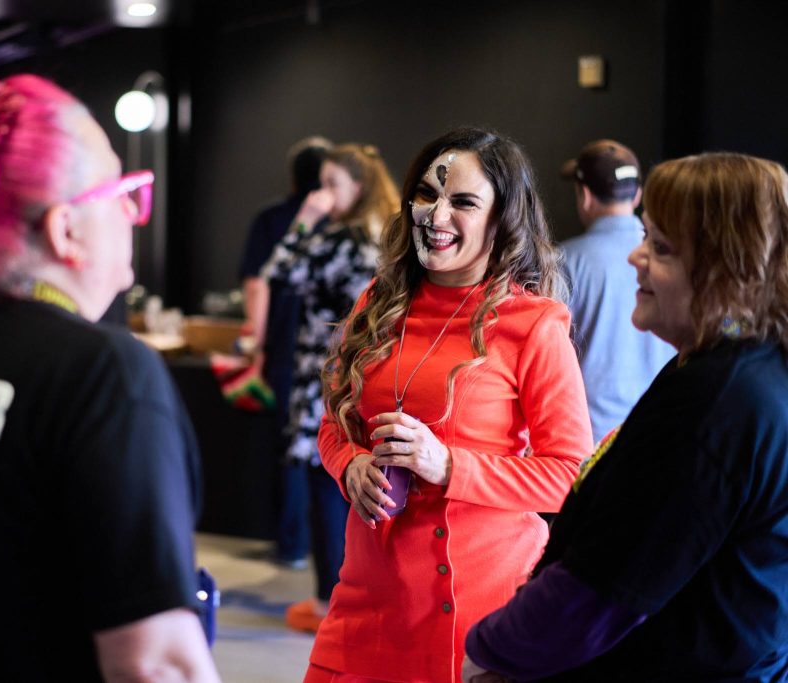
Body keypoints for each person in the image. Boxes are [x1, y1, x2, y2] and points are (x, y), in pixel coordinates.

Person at [0, 62, 220, 682]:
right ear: (66, 228)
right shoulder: (102, 376)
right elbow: (157, 665)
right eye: (119, 193)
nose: (134, 214)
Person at [462, 152, 788, 682]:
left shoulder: (716, 401)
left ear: (729, 269)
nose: (636, 257)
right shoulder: (743, 367)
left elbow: (599, 593)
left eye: (661, 248)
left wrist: (487, 650)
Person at [307, 128, 593, 682]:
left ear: (502, 218)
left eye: (462, 202)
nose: (436, 216)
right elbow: (333, 425)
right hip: (367, 594)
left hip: (473, 605)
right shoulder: (379, 304)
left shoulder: (532, 324)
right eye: (425, 195)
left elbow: (567, 475)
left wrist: (449, 466)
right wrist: (352, 465)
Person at [262, 143, 399, 632]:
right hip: (364, 374)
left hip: (328, 375)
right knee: (345, 483)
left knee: (327, 476)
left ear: (356, 187)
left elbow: (278, 272)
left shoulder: (340, 239)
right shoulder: (381, 236)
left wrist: (304, 217)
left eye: (331, 185)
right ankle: (347, 596)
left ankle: (328, 601)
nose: (322, 194)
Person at [239, 135, 331, 568]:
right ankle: (326, 549)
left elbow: (258, 284)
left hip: (284, 347)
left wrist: (253, 345)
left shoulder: (275, 220)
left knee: (292, 447)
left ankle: (293, 544)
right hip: (332, 352)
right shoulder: (339, 225)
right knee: (327, 445)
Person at [559, 139, 672, 443]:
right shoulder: (674, 258)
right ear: (637, 195)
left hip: (591, 441)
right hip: (662, 431)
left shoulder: (562, 262)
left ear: (584, 196)